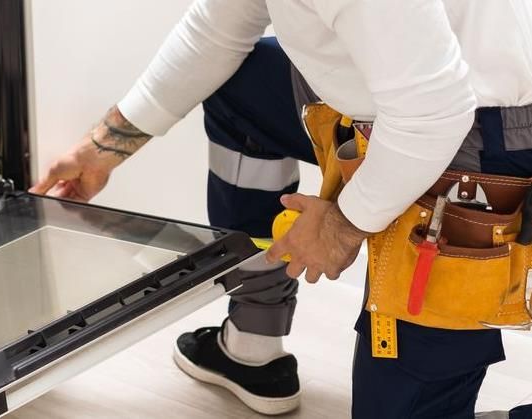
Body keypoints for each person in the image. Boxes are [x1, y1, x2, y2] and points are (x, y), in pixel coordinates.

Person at [30, 1, 532, 418]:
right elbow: (216, 28)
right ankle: (252, 341)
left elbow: (434, 114)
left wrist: (342, 223)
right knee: (239, 90)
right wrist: (103, 147)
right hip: (406, 105)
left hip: (479, 131)